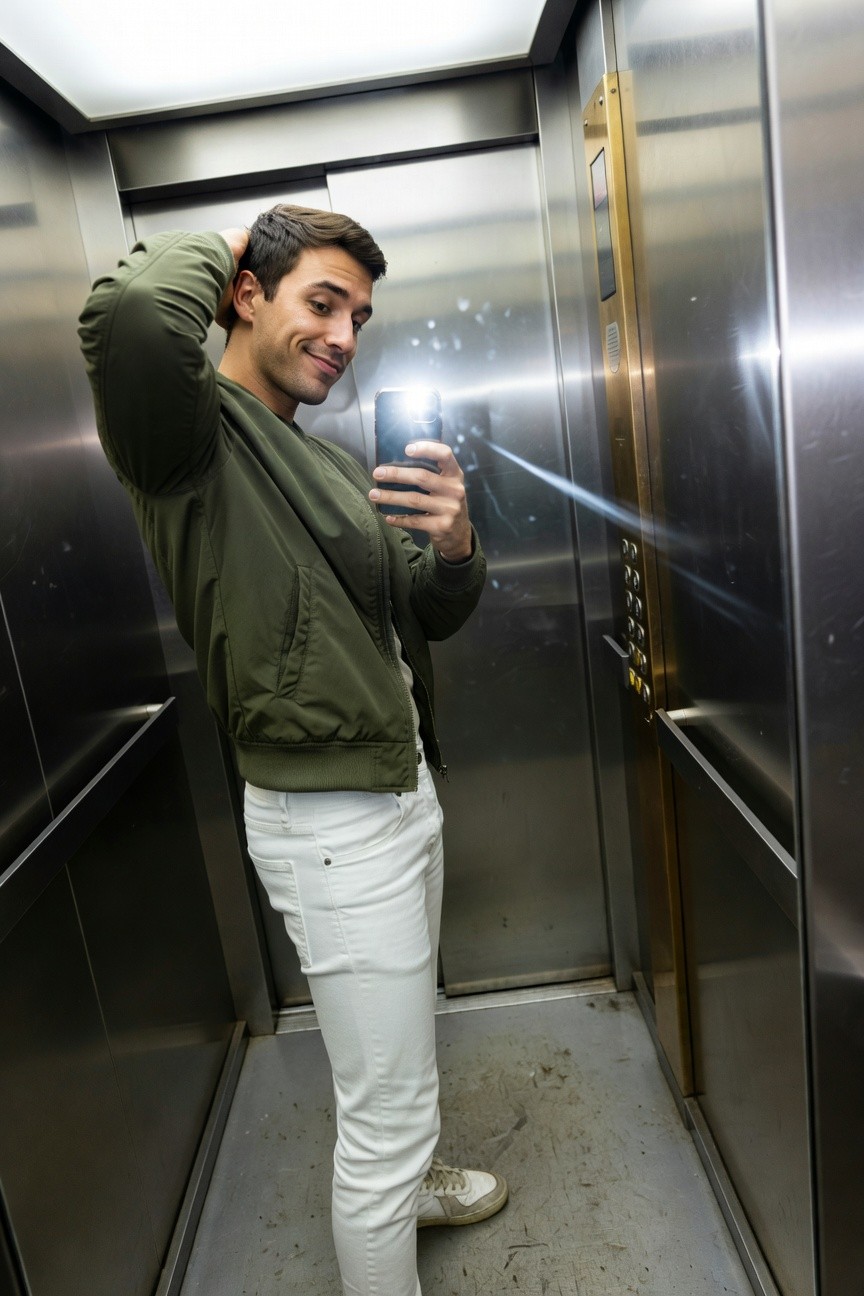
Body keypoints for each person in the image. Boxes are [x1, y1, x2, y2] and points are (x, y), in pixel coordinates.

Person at [78, 204, 507, 1296]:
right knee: (385, 1107)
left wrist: (454, 546)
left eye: (359, 315)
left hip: (397, 787)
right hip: (331, 827)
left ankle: (410, 1183)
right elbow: (128, 314)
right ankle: (392, 1196)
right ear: (245, 297)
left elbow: (419, 610)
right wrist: (224, 242)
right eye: (322, 302)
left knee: (399, 1057)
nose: (346, 335)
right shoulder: (183, 439)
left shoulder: (307, 456)